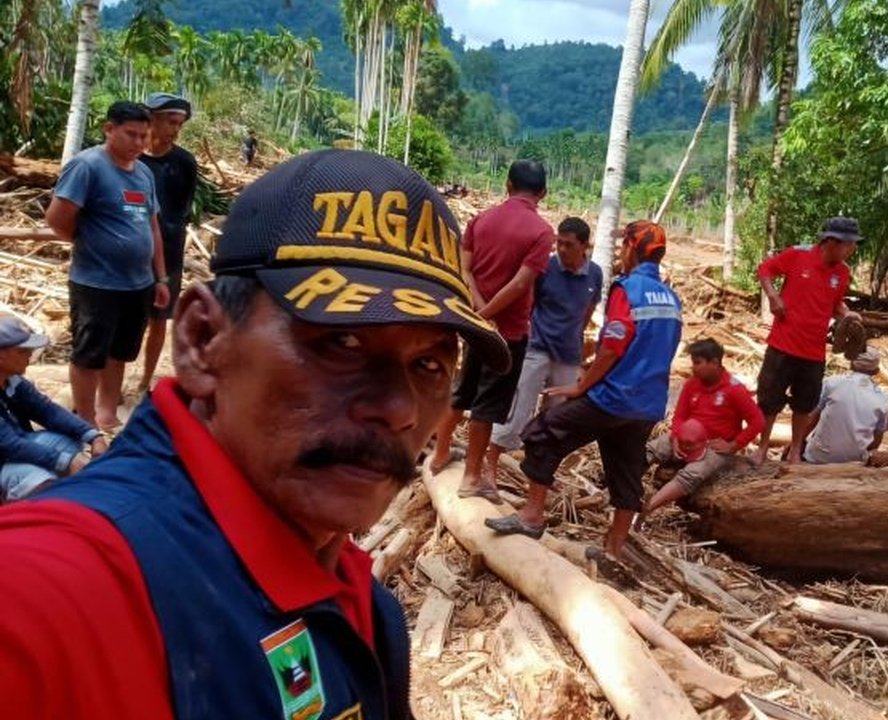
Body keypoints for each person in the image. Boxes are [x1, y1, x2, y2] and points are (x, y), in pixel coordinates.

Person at [0, 149, 509, 718]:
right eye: (341, 343)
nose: (398, 409)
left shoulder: (357, 598)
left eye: (430, 366)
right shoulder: (61, 596)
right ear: (200, 340)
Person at [486, 220, 681, 559]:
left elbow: (612, 346)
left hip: (614, 396)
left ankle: (532, 515)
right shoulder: (672, 298)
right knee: (627, 471)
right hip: (648, 404)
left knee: (542, 433)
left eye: (624, 246)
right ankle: (614, 549)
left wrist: (581, 387)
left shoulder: (628, 289)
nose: (621, 252)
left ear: (632, 249)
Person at [429, 159, 556, 501]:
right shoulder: (542, 232)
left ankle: (440, 455)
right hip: (508, 331)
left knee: (462, 391)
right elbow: (519, 285)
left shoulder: (480, 221)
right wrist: (489, 314)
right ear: (542, 193)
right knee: (487, 405)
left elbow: (462, 269)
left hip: (471, 325)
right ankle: (471, 477)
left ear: (508, 186)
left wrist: (477, 311)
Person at [45, 100, 170, 430]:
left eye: (144, 136)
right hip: (96, 282)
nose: (139, 143)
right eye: (131, 134)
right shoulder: (87, 166)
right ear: (109, 129)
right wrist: (91, 243)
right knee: (89, 354)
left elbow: (152, 227)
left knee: (121, 352)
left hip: (138, 283)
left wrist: (160, 277)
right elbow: (57, 220)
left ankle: (107, 411)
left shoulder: (143, 173)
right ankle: (84, 422)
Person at [485, 216, 602, 478]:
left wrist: (576, 337)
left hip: (569, 355)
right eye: (559, 243)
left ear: (584, 246)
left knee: (556, 418)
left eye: (568, 244)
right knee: (517, 408)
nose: (561, 249)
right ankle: (490, 465)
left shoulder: (595, 273)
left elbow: (588, 310)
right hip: (537, 348)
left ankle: (537, 471)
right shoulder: (545, 268)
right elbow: (529, 304)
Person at [753, 217, 862, 465]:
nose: (852, 249)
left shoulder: (843, 273)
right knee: (769, 399)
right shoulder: (797, 255)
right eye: (849, 244)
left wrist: (847, 313)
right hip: (782, 343)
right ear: (831, 241)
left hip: (813, 351)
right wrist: (772, 296)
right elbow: (765, 269)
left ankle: (794, 451)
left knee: (804, 404)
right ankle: (762, 447)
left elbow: (834, 304)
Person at [644, 338, 764, 515]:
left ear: (715, 362)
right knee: (654, 448)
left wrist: (734, 445)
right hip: (685, 438)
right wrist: (676, 436)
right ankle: (616, 489)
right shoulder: (691, 384)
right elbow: (680, 415)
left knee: (692, 474)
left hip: (713, 447)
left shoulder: (734, 390)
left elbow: (757, 421)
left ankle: (648, 507)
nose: (694, 367)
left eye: (698, 363)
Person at [0, 316, 107, 502]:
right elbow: (11, 446)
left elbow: (46, 410)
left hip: (16, 447)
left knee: (70, 441)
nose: (30, 355)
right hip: (4, 459)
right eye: (22, 351)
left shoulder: (12, 380)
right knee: (38, 481)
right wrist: (65, 462)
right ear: (1, 356)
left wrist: (92, 435)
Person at [137, 93, 199, 394]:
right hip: (134, 249)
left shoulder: (184, 163)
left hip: (170, 250)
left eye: (180, 124)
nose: (175, 130)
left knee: (160, 317)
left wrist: (169, 235)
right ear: (152, 120)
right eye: (171, 122)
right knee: (129, 315)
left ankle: (145, 380)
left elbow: (182, 208)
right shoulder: (131, 158)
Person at [801, 349, 888, 464]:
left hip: (819, 457)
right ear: (876, 371)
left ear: (851, 364)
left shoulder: (832, 383)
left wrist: (795, 445)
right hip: (855, 461)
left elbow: (811, 419)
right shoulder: (883, 398)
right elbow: (877, 438)